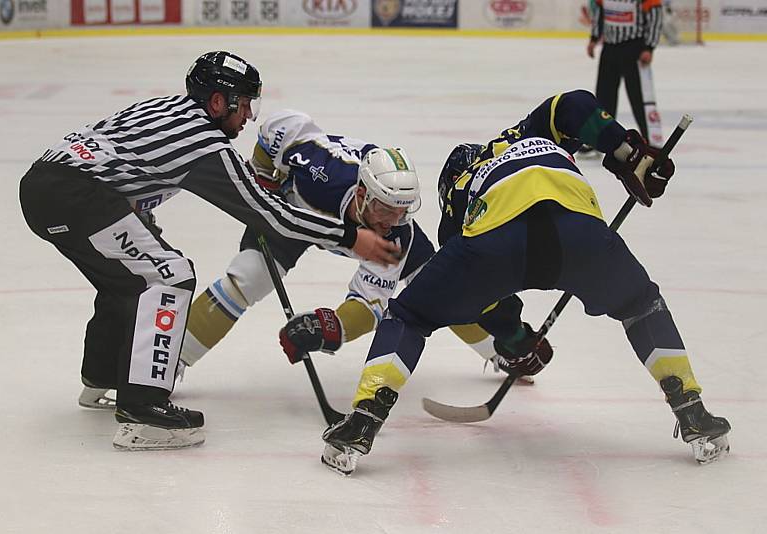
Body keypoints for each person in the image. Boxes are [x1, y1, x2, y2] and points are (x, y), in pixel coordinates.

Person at [319, 89, 731, 475]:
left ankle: (363, 421)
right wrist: (629, 154)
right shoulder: (525, 136)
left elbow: (479, 298)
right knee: (642, 307)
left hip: (496, 241)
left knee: (408, 315)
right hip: (579, 232)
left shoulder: (460, 198)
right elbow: (575, 104)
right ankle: (691, 411)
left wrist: (514, 339)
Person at [18, 51, 399, 451]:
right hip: (76, 197)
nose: (249, 116)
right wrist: (349, 236)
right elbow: (272, 217)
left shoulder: (167, 109)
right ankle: (143, 410)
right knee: (169, 276)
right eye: (245, 103)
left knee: (127, 279)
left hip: (43, 187)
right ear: (218, 102)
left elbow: (117, 159)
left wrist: (136, 217)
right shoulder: (204, 142)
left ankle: (103, 379)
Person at [177, 109, 545, 385]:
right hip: (290, 218)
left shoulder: (393, 236)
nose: (392, 220)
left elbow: (370, 306)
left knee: (440, 290)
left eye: (402, 211)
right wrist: (261, 179)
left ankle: (500, 352)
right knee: (248, 278)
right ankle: (168, 363)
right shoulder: (320, 169)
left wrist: (327, 328)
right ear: (362, 194)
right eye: (386, 208)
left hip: (337, 228)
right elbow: (279, 126)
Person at [583, 0, 665, 154]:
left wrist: (649, 47)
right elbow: (600, 11)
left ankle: (651, 143)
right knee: (603, 98)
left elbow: (655, 16)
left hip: (634, 48)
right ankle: (598, 140)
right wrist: (594, 38)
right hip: (610, 48)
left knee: (640, 99)